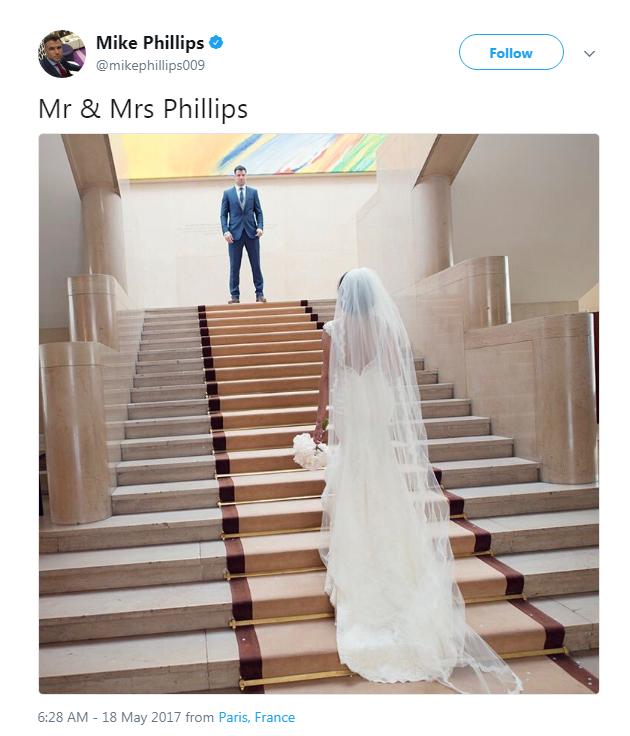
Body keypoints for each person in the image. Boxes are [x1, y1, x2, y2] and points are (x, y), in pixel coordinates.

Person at [313, 267, 522, 694]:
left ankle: (358, 553)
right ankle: (390, 555)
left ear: (343, 298)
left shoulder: (334, 330)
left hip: (353, 414)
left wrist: (319, 423)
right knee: (383, 481)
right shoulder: (386, 329)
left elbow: (326, 382)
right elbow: (395, 378)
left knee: (355, 479)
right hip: (375, 412)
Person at [220, 165, 266, 304]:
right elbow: (223, 215)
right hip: (234, 236)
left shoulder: (253, 192)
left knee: (256, 265)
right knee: (234, 267)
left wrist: (260, 227)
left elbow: (259, 212)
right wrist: (225, 231)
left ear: (246, 176)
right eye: (238, 175)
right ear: (235, 176)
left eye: (243, 175)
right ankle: (235, 296)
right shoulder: (227, 194)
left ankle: (260, 294)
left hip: (252, 234)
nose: (241, 177)